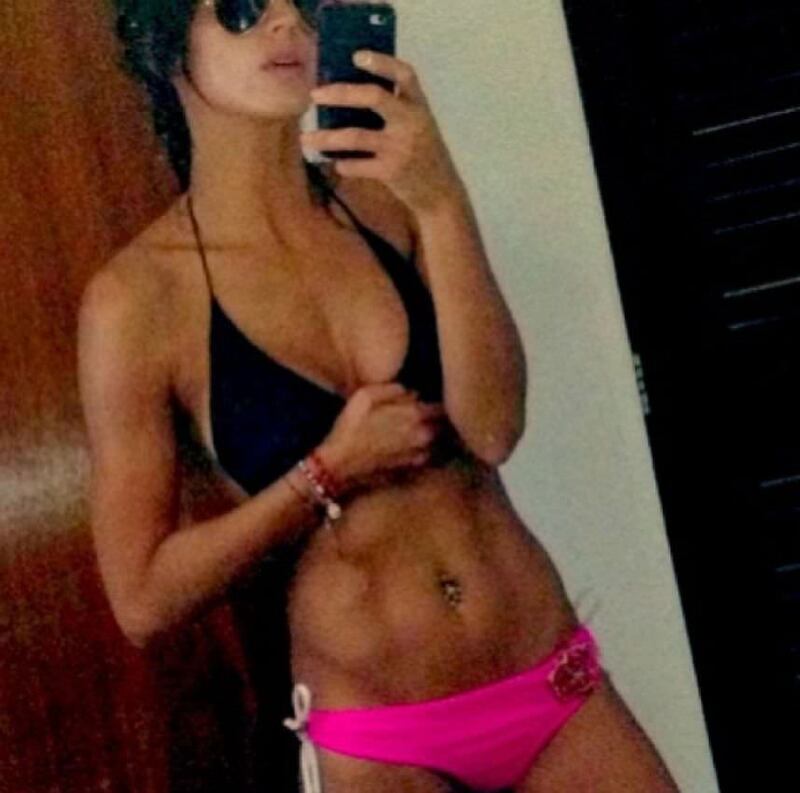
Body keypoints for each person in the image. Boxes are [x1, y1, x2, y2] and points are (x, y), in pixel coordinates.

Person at [78, 0, 682, 791]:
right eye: (241, 8)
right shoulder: (138, 301)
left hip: (549, 681)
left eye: (302, 4)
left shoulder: (387, 200)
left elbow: (493, 427)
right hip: (378, 734)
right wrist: (324, 472)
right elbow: (142, 596)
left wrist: (441, 196)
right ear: (164, 45)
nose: (285, 24)